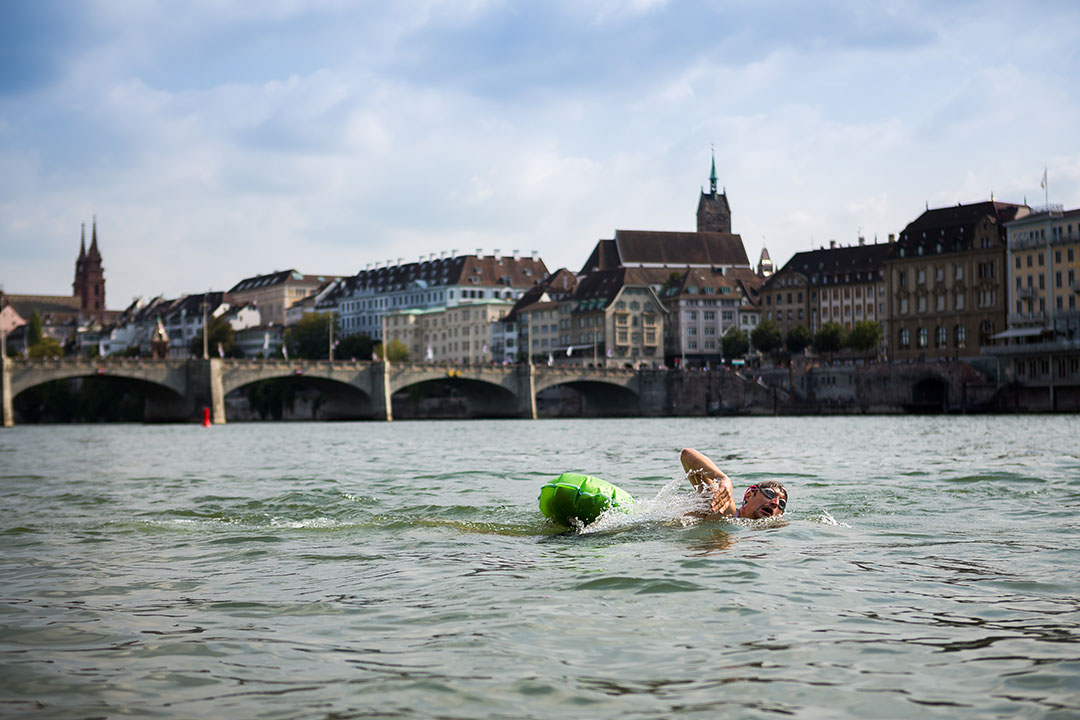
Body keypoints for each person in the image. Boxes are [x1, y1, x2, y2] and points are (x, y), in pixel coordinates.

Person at [680, 448, 787, 520]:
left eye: (782, 504)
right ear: (749, 495)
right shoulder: (723, 506)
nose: (776, 503)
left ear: (780, 515)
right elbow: (687, 455)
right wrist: (723, 478)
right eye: (770, 494)